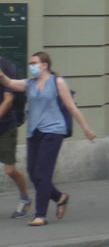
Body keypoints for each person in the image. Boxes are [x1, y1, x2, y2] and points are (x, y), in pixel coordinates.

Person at [0, 51, 96, 227]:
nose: (31, 66)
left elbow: (72, 107)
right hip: (34, 132)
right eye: (30, 63)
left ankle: (40, 215)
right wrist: (1, 75)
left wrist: (86, 129)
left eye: (34, 63)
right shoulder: (29, 84)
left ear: (44, 65)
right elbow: (9, 83)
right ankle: (59, 197)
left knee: (43, 173)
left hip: (53, 131)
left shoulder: (57, 82)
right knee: (33, 173)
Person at [0, 56, 32, 218]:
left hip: (5, 126)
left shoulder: (6, 67)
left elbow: (8, 100)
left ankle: (25, 198)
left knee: (10, 170)